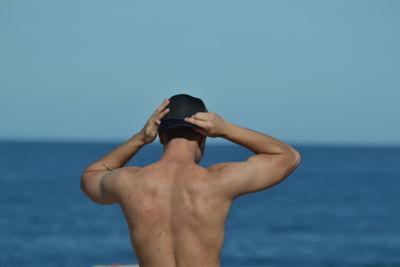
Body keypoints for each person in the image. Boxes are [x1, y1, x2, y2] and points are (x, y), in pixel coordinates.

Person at [81, 94, 301, 267]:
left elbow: (91, 175)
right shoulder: (218, 180)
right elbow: (288, 157)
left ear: (161, 137)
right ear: (204, 136)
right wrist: (227, 130)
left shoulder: (128, 181)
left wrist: (139, 139)